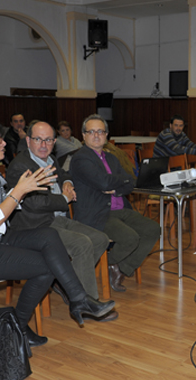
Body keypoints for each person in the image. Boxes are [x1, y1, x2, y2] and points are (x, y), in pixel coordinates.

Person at [0, 119, 115, 349]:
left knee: (48, 235)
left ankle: (78, 299)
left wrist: (21, 192)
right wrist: (19, 192)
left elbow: (0, 211)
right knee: (47, 267)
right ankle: (21, 326)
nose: (4, 143)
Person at [6, 121, 119, 322]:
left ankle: (64, 281)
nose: (44, 145)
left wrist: (67, 182)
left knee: (100, 239)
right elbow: (34, 203)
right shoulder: (20, 166)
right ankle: (87, 304)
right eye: (38, 139)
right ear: (28, 141)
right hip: (36, 225)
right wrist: (64, 199)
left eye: (49, 140)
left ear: (54, 142)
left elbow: (64, 174)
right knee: (82, 244)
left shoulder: (50, 160)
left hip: (57, 218)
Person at [70, 114, 160, 290]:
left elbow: (131, 182)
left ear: (106, 135)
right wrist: (119, 181)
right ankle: (109, 265)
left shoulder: (111, 158)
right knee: (130, 238)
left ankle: (118, 266)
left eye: (100, 131)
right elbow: (104, 182)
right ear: (83, 135)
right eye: (91, 132)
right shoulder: (81, 158)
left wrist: (117, 187)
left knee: (153, 229)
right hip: (97, 214)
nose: (96, 135)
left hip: (120, 209)